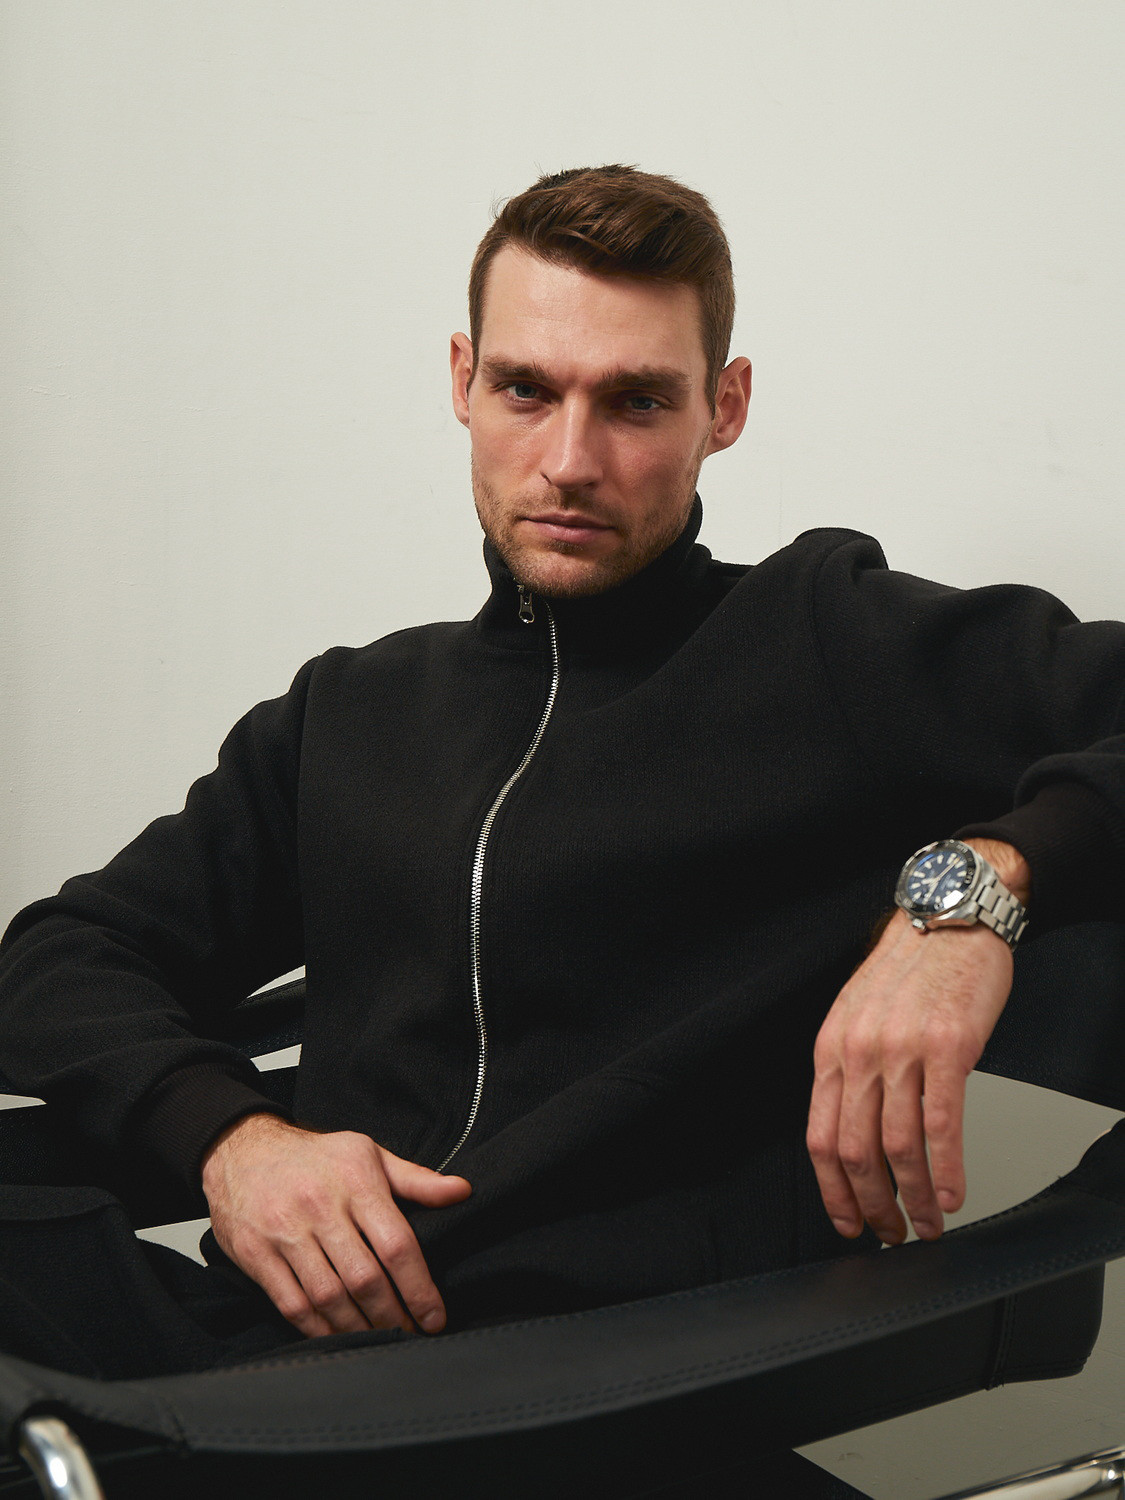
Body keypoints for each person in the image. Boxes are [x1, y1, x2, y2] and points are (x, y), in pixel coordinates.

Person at [0, 165, 1123, 1377]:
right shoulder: (354, 711)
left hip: (599, 1380)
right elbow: (63, 954)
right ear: (462, 381)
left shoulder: (822, 640)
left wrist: (974, 898)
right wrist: (235, 1142)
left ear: (724, 408)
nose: (571, 460)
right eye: (526, 390)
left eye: (637, 401)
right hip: (278, 1349)